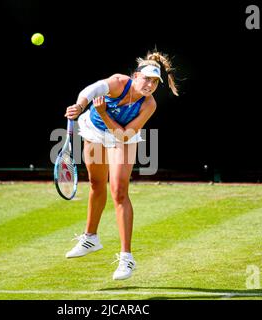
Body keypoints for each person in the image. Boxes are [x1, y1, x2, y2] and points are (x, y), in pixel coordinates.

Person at [64, 50, 179, 280]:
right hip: (94, 131)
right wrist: (80, 105)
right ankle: (91, 238)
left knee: (118, 191)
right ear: (135, 76)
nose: (150, 85)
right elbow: (91, 90)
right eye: (146, 79)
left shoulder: (149, 105)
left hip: (121, 137)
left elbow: (124, 135)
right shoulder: (118, 82)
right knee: (96, 184)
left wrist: (105, 114)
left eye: (155, 82)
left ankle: (127, 258)